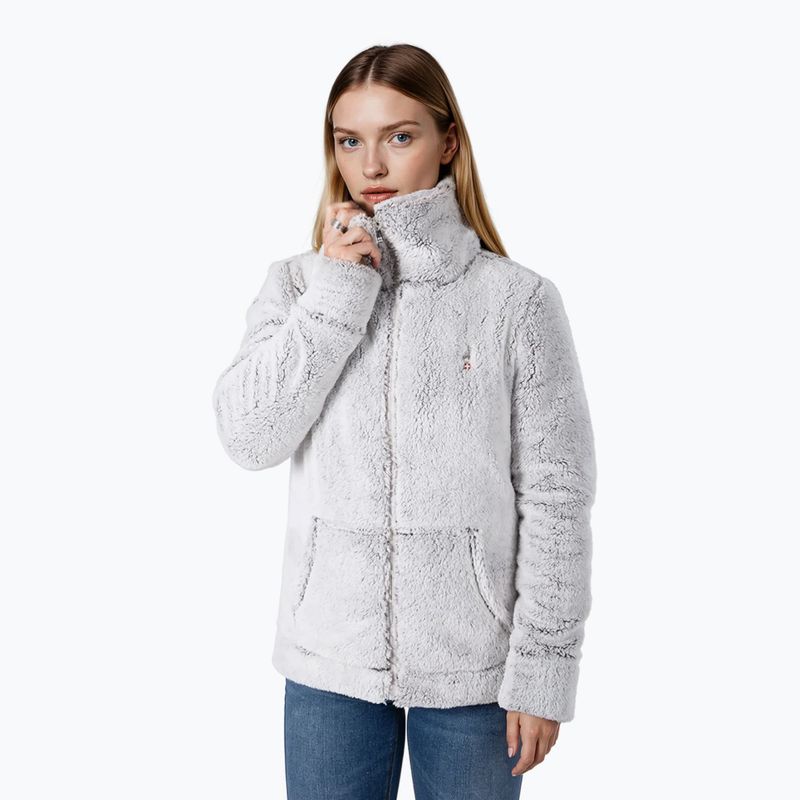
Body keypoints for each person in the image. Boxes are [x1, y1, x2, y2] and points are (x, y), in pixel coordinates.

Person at [212, 43, 597, 799]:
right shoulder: (298, 286)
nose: (372, 165)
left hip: (476, 668)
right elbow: (248, 437)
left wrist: (544, 667)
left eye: (399, 135)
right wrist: (337, 293)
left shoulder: (517, 301)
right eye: (348, 140)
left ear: (448, 141)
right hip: (330, 660)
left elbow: (557, 496)